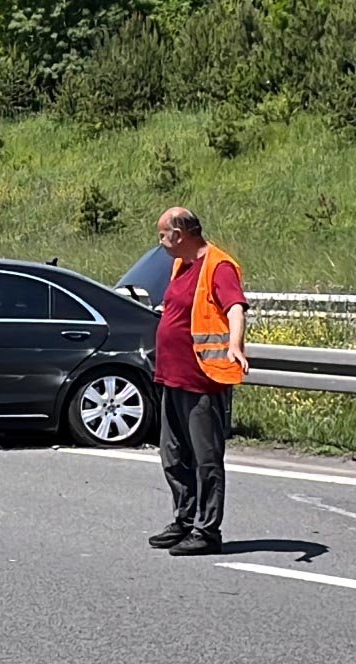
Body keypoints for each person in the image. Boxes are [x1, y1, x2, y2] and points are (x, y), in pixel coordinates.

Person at [148, 207, 248, 556]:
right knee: (173, 456)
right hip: (172, 377)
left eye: (163, 235)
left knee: (206, 459)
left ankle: (207, 531)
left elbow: (235, 306)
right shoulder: (182, 265)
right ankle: (183, 520)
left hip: (201, 377)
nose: (160, 242)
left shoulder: (218, 266)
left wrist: (234, 344)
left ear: (180, 234)